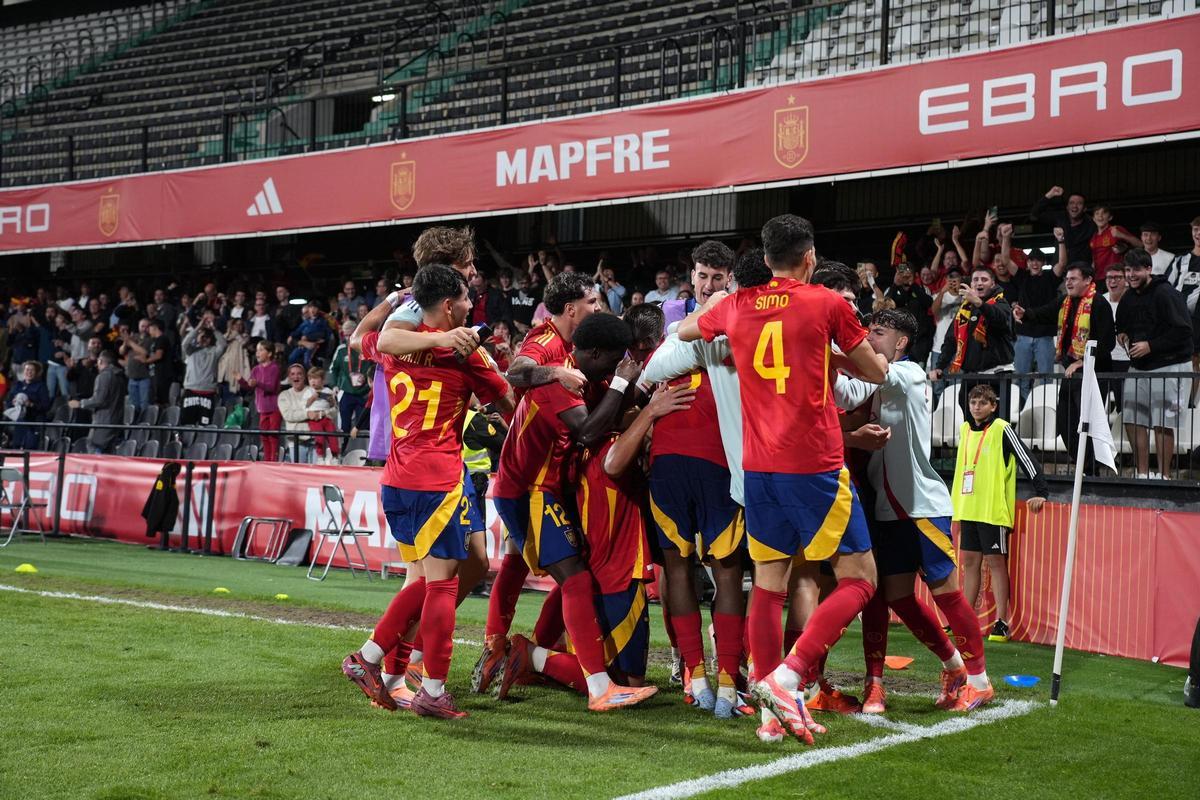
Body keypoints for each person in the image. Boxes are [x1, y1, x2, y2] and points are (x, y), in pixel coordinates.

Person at [678, 214, 887, 745]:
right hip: (812, 464)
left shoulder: (735, 305)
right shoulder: (826, 302)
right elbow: (878, 371)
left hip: (759, 468)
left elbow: (684, 330)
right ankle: (788, 678)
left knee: (768, 587)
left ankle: (771, 718)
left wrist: (717, 316)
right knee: (861, 578)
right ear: (810, 256)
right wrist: (832, 355)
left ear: (766, 258)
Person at [341, 265, 515, 719]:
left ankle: (388, 666)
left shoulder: (395, 344)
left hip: (396, 481)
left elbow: (359, 338)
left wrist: (393, 302)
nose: (469, 306)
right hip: (437, 481)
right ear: (447, 305)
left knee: (426, 582)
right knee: (441, 586)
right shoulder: (464, 354)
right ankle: (405, 675)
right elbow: (508, 403)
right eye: (465, 299)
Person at [489, 312, 657, 712]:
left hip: (546, 490)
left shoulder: (579, 375)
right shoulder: (560, 381)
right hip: (528, 491)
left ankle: (534, 657)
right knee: (577, 580)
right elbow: (588, 430)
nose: (618, 367)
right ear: (596, 353)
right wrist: (621, 383)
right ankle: (596, 685)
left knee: (572, 579)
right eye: (615, 360)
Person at [834, 310, 996, 713]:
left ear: (901, 342)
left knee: (948, 593)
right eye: (868, 331)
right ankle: (953, 666)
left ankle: (980, 681)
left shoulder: (909, 373)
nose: (870, 337)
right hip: (889, 509)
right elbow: (846, 395)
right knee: (897, 596)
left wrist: (839, 355)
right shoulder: (869, 382)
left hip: (922, 503)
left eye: (879, 332)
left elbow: (876, 374)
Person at [498, 384, 689, 700]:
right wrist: (651, 412)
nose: (636, 413)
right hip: (618, 575)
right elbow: (615, 465)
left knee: (615, 670)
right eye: (631, 408)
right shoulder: (613, 448)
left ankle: (538, 656)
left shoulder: (583, 448)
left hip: (603, 570)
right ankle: (530, 656)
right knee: (630, 682)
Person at [474, 271, 601, 691]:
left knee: (517, 562)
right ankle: (517, 652)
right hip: (529, 483)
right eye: (593, 303)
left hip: (530, 478)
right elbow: (519, 372)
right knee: (571, 572)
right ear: (571, 309)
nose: (598, 309)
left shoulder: (568, 345)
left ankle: (512, 651)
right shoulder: (546, 341)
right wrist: (556, 375)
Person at [952, 384, 1049, 644]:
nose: (977, 407)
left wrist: (1041, 491)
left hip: (992, 510)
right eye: (973, 402)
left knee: (996, 564)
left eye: (983, 403)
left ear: (993, 406)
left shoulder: (1002, 429)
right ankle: (965, 619)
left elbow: (1026, 458)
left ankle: (1002, 623)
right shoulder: (964, 430)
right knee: (970, 564)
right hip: (968, 507)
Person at [1015, 262, 1115, 475]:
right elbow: (1045, 312)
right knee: (1065, 424)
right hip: (1072, 373)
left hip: (1094, 374)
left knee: (1087, 424)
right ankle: (1086, 467)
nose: (1068, 282)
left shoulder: (1098, 303)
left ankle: (1092, 470)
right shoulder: (1065, 302)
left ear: (1088, 280)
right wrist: (1025, 314)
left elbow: (1107, 343)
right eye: (1067, 279)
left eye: (1073, 279)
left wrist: (1083, 362)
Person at [1117, 248, 1195, 479]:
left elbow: (1183, 330)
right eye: (1128, 270)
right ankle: (1142, 474)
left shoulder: (1165, 293)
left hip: (1171, 364)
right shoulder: (1128, 296)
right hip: (1139, 366)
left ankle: (1164, 476)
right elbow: (1121, 325)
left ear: (1149, 269)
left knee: (1163, 421)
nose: (1131, 275)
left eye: (1136, 270)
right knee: (1133, 418)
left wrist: (1151, 345)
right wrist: (1122, 335)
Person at [930, 265, 1016, 423]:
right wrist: (939, 366)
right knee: (970, 422)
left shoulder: (1001, 303)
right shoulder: (964, 310)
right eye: (976, 279)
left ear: (993, 283)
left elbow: (999, 318)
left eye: (984, 279)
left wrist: (978, 302)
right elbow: (951, 341)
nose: (979, 283)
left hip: (997, 376)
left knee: (995, 425)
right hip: (971, 375)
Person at [660, 240, 734, 328]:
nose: (709, 286)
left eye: (717, 278)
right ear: (693, 277)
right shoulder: (667, 311)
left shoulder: (740, 315)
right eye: (703, 277)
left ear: (729, 280)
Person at [74, 351, 126, 454]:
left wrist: (80, 403)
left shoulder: (104, 376)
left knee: (93, 445)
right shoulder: (120, 376)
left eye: (98, 361)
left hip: (103, 421)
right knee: (109, 451)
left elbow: (99, 400)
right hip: (116, 420)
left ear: (101, 361)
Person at [1030, 186, 1096, 266]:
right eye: (1071, 203)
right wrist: (1050, 194)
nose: (1075, 206)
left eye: (1079, 203)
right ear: (1067, 207)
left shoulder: (1091, 223)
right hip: (1058, 270)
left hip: (1081, 271)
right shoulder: (1060, 217)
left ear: (1085, 208)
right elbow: (1035, 214)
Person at [239, 341, 282, 461]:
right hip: (262, 409)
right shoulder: (256, 369)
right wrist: (241, 380)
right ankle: (267, 461)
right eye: (257, 350)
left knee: (273, 436)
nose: (257, 353)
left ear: (269, 353)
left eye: (261, 350)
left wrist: (257, 383)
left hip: (274, 408)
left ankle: (273, 461)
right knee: (264, 436)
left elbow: (271, 387)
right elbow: (249, 386)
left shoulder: (274, 368)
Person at [181, 315, 227, 426]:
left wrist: (214, 329)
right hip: (191, 390)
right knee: (187, 424)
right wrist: (198, 328)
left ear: (211, 339)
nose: (204, 339)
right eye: (202, 336)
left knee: (205, 424)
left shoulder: (214, 352)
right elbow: (185, 343)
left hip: (208, 391)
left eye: (207, 337)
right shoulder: (191, 350)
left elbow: (223, 345)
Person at [328, 319, 371, 436]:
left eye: (350, 334)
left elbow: (374, 369)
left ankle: (364, 452)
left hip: (364, 393)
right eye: (345, 335)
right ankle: (343, 451)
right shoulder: (341, 350)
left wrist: (371, 386)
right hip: (346, 391)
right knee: (344, 426)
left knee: (363, 426)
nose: (347, 338)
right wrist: (334, 385)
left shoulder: (367, 348)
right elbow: (333, 369)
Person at [1089, 205, 1141, 282]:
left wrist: (1122, 235)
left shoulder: (1116, 229)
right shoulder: (1093, 238)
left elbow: (1140, 244)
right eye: (1097, 213)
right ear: (1093, 218)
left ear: (1110, 217)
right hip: (1099, 278)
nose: (1100, 216)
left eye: (1104, 213)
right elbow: (1094, 261)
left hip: (1116, 276)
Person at [5, 361, 50, 449]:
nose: (29, 372)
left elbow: (46, 406)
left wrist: (31, 404)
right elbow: (8, 402)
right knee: (16, 446)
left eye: (32, 370)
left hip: (34, 423)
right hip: (19, 423)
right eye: (27, 370)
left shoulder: (41, 386)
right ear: (23, 371)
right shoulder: (18, 385)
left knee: (30, 447)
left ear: (36, 373)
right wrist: (13, 403)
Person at [277, 363, 315, 463]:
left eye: (299, 374)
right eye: (292, 374)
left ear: (304, 376)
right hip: (296, 442)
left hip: (315, 440)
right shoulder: (284, 395)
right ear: (289, 378)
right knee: (300, 475)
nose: (296, 376)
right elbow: (288, 415)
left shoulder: (313, 391)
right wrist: (307, 414)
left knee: (316, 475)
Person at [304, 367, 340, 464]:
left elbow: (334, 406)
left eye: (315, 378)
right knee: (319, 437)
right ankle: (320, 457)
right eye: (310, 379)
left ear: (323, 380)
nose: (313, 381)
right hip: (314, 419)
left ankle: (335, 456)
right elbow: (305, 405)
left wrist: (331, 401)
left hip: (326, 417)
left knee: (332, 436)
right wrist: (313, 398)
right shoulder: (308, 391)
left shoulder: (328, 390)